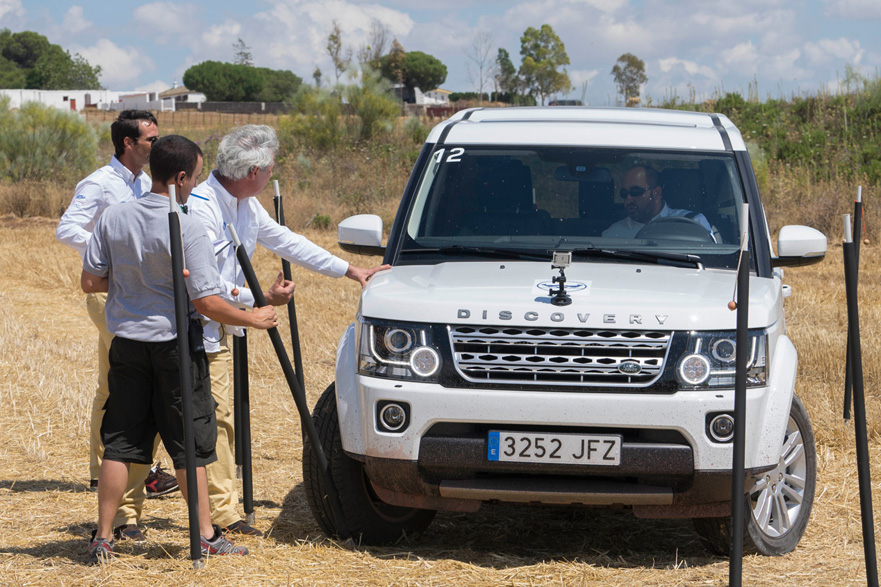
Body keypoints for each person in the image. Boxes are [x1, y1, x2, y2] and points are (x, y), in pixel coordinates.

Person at [82, 135, 279, 564]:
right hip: (174, 349)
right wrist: (255, 317)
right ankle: (206, 534)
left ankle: (103, 536)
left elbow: (91, 281)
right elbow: (206, 302)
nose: (195, 185)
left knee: (120, 442)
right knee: (192, 445)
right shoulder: (186, 224)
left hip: (127, 345)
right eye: (195, 175)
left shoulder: (114, 217)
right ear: (182, 176)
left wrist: (133, 286)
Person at [187, 124, 390, 536]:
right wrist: (256, 297)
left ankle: (222, 513)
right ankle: (131, 516)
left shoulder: (245, 202)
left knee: (220, 419)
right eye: (270, 170)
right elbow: (202, 283)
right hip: (195, 326)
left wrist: (350, 270)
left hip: (222, 324)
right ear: (252, 173)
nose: (270, 178)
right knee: (204, 420)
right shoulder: (203, 208)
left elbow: (287, 241)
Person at [56, 109, 178, 543]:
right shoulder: (98, 184)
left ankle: (122, 469)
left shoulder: (146, 183)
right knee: (124, 384)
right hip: (110, 289)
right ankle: (112, 472)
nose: (156, 146)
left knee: (117, 382)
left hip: (137, 292)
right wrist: (113, 252)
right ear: (128, 143)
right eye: (150, 140)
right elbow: (66, 227)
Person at [602, 164, 715, 239]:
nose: (629, 198)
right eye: (624, 194)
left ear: (656, 193)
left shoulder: (692, 223)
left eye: (635, 192)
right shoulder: (613, 234)